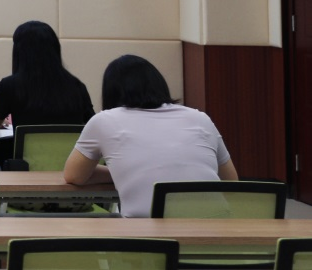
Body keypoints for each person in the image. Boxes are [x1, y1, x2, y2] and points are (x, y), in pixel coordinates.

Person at [64, 54, 237, 217]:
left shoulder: (104, 121)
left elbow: (74, 176)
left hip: (147, 231)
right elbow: (231, 181)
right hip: (214, 225)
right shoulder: (200, 118)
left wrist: (123, 171)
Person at [0, 20, 94, 139]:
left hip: (25, 152)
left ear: (19, 51)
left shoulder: (9, 86)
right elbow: (94, 127)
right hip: (69, 152)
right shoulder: (77, 86)